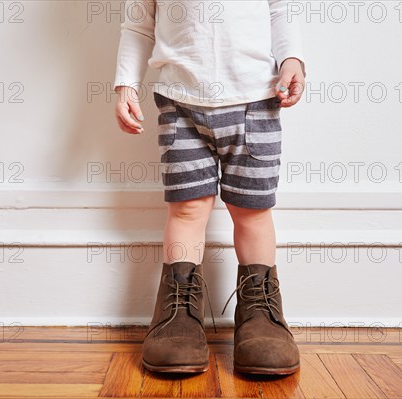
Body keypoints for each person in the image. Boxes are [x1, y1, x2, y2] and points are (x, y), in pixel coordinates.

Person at [113, 0, 306, 375]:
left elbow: (282, 10)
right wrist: (126, 84)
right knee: (187, 207)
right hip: (180, 103)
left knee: (252, 210)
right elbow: (137, 25)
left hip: (256, 101)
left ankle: (260, 311)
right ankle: (179, 309)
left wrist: (292, 60)